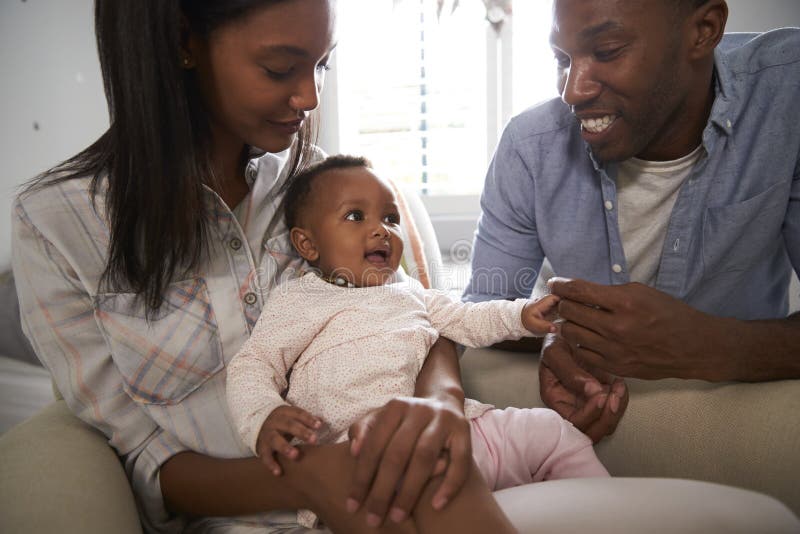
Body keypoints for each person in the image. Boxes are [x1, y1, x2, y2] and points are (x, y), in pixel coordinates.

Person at [11, 1, 531, 532]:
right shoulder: (57, 225)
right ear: (184, 43)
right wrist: (304, 478)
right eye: (280, 68)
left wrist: (442, 402)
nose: (309, 97)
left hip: (392, 474)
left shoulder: (319, 187)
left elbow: (406, 309)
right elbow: (144, 457)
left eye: (322, 65)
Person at [464, 0, 800, 442]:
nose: (573, 91)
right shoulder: (529, 146)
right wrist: (563, 334)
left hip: (744, 428)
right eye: (562, 59)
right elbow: (480, 313)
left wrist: (706, 345)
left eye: (607, 51)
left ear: (704, 30)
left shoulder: (787, 96)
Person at [225, 155, 609, 529]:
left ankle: (607, 516)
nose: (381, 230)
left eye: (390, 218)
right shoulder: (297, 300)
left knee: (553, 431)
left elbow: (466, 319)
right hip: (367, 452)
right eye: (356, 216)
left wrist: (522, 315)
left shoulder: (410, 291)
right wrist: (262, 417)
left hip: (464, 432)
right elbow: (254, 364)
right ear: (308, 246)